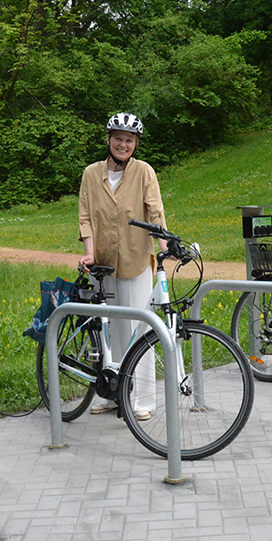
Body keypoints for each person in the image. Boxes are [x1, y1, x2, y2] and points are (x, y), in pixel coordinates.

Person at [78, 113, 168, 420]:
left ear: (135, 144)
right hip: (103, 263)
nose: (123, 144)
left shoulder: (144, 172)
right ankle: (112, 393)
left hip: (134, 260)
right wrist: (89, 254)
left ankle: (142, 399)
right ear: (108, 139)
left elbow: (155, 212)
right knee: (108, 330)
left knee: (139, 330)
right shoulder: (91, 174)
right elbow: (86, 217)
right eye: (118, 138)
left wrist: (164, 247)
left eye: (129, 140)